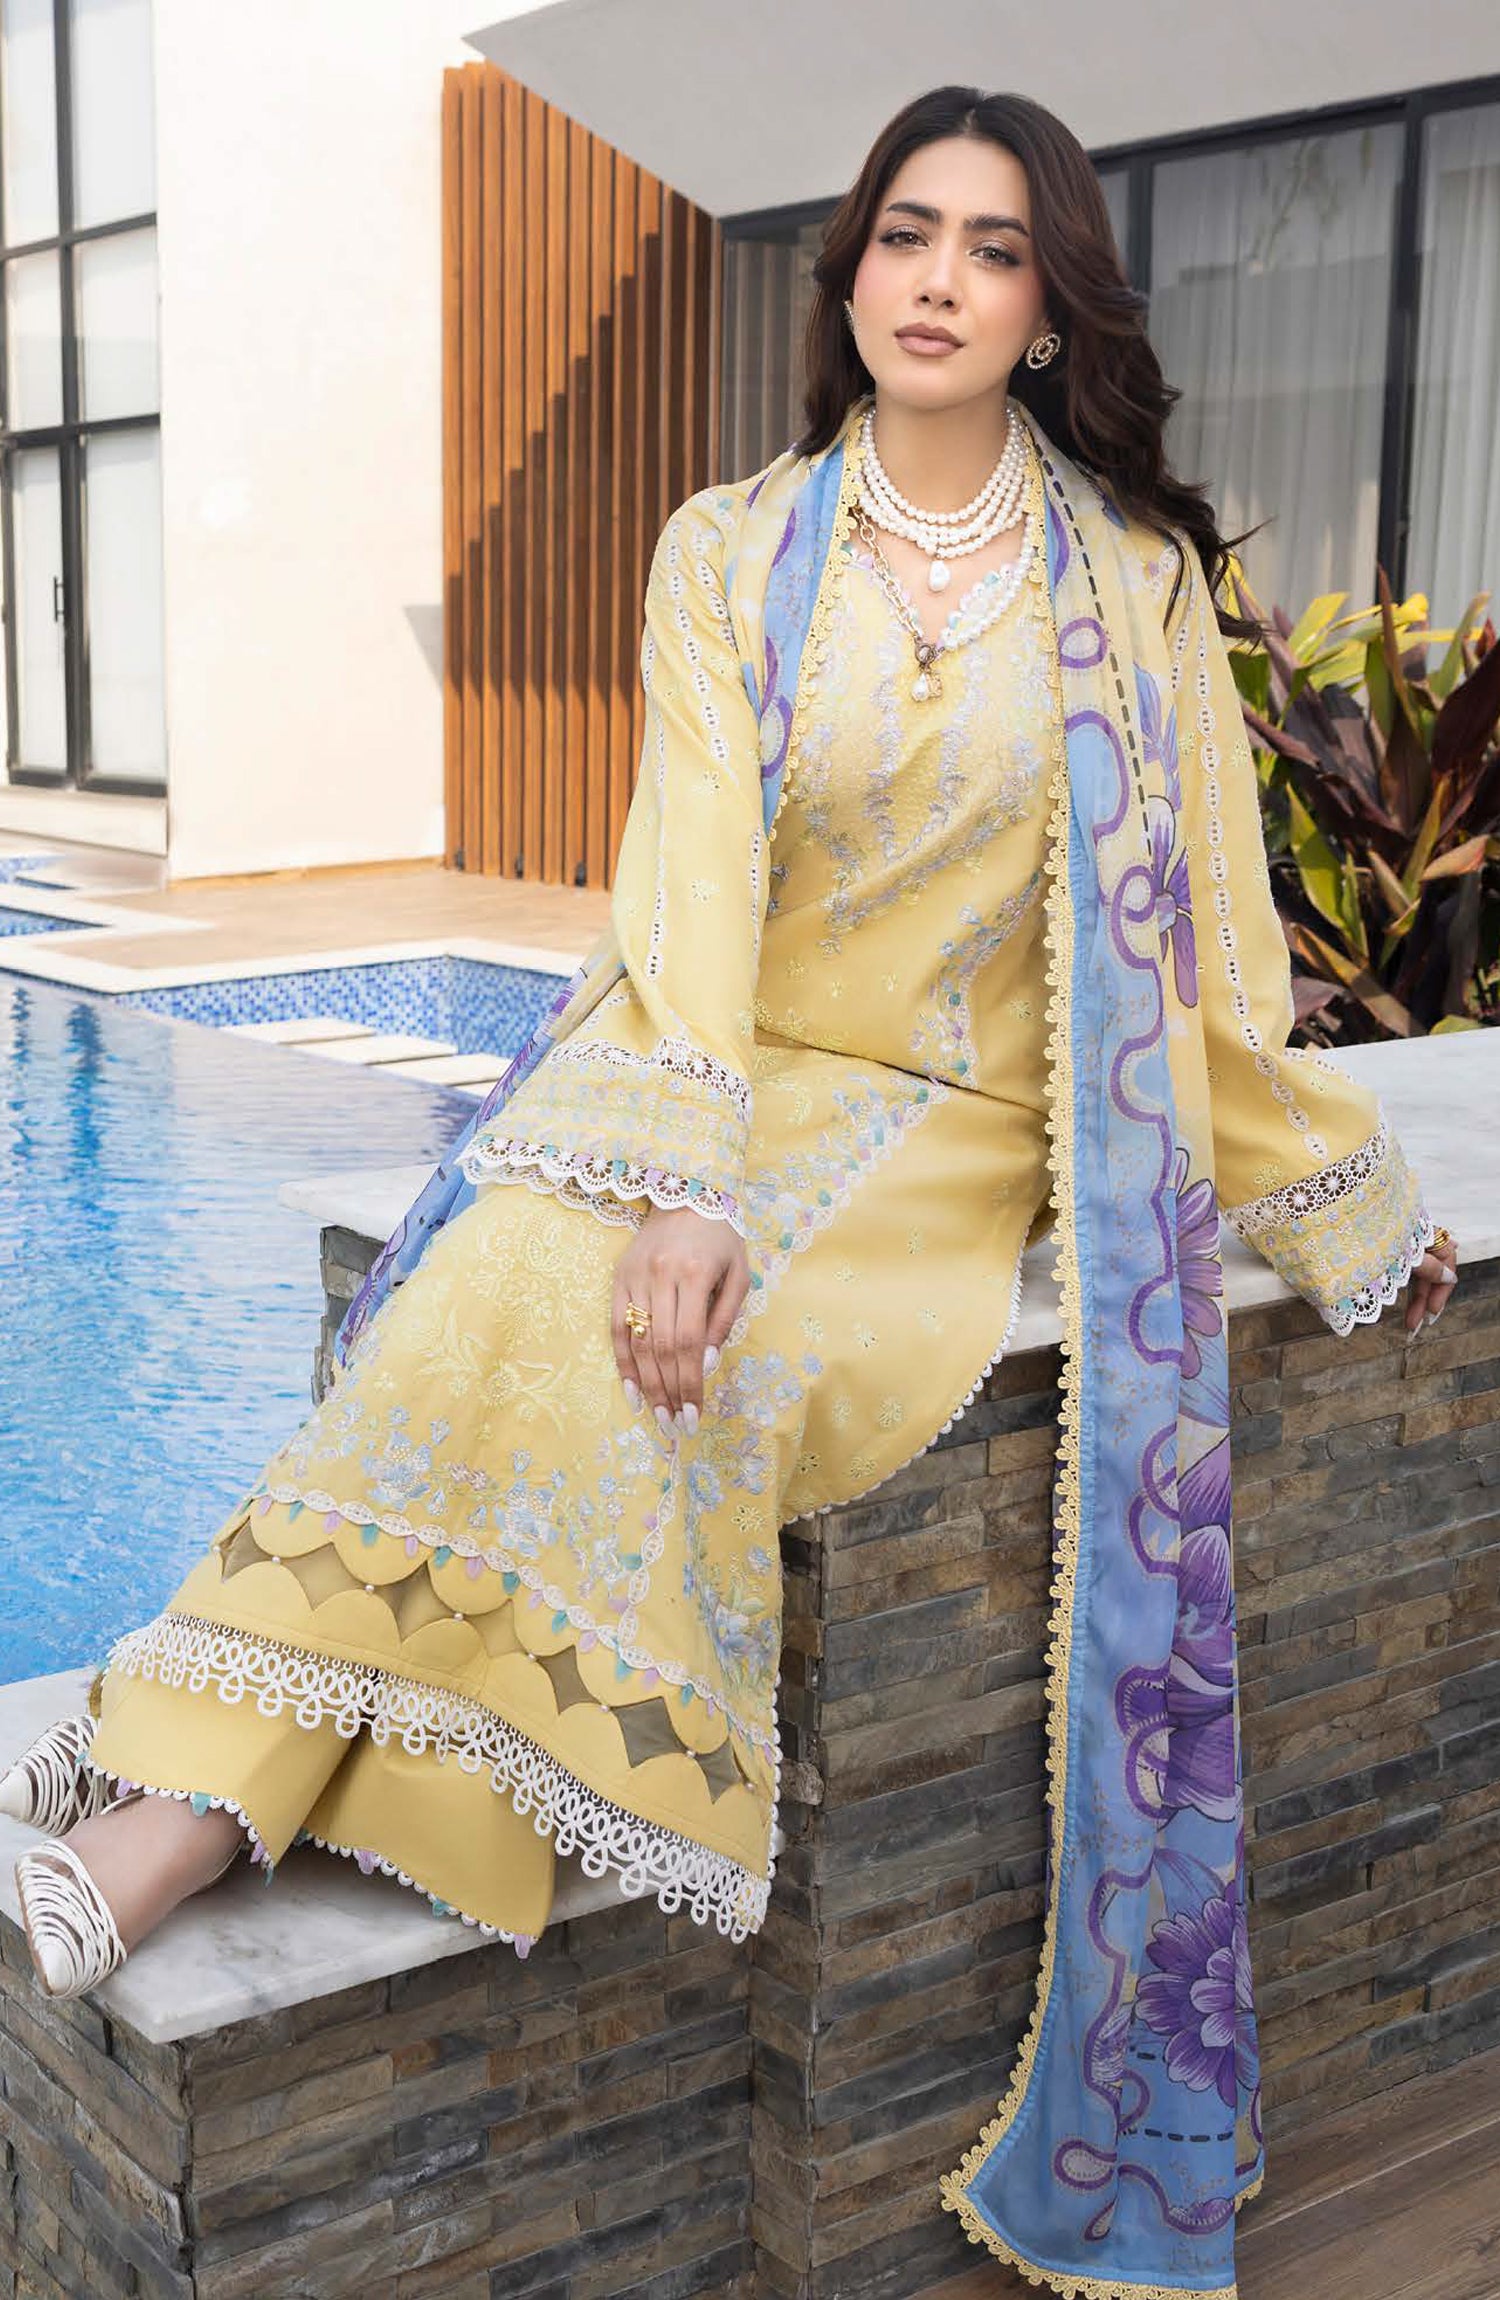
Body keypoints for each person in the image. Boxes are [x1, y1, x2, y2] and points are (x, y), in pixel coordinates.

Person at [1, 84, 1459, 2300]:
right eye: (907, 235)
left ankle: (190, 1810)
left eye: (992, 249)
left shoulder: (1134, 584)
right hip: (709, 1063)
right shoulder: (732, 547)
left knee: (710, 1362)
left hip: (951, 1131)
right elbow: (687, 886)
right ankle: (211, 1791)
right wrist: (679, 1172)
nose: (939, 281)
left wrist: (1342, 1202)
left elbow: (1203, 964)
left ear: (1052, 305)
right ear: (850, 270)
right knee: (512, 1274)